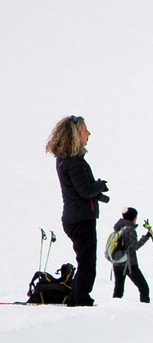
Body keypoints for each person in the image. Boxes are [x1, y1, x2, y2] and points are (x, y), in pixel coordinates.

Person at [46, 115, 110, 307]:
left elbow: (78, 190)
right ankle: (81, 299)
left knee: (85, 260)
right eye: (85, 130)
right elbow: (85, 191)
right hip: (81, 219)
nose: (88, 134)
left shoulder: (65, 161)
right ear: (76, 134)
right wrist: (99, 186)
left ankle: (77, 297)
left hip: (73, 217)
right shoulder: (75, 162)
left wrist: (98, 194)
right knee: (87, 263)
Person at [111, 207, 152, 302]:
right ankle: (145, 308)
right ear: (133, 218)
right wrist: (147, 236)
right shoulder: (130, 230)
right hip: (129, 264)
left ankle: (114, 308)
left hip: (117, 263)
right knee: (144, 288)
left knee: (118, 291)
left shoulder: (117, 228)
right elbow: (134, 246)